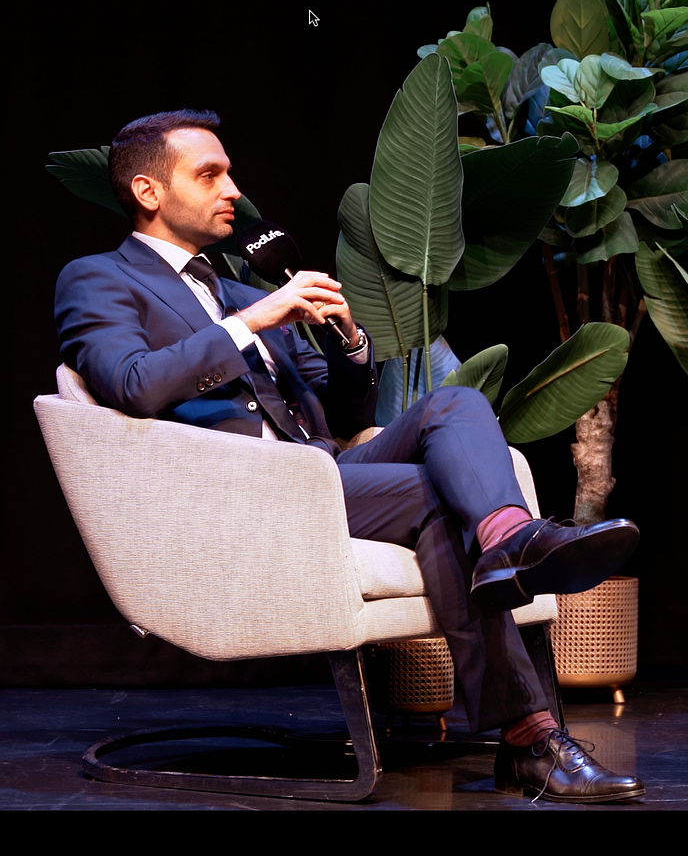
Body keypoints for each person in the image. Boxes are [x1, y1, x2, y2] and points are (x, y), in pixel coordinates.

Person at [54, 109, 646, 804]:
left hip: (321, 476)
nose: (232, 191)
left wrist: (352, 341)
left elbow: (342, 414)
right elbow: (131, 385)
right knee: (437, 499)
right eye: (209, 175)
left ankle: (508, 539)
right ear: (148, 191)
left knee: (455, 405)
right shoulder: (100, 278)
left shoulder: (240, 290)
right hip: (237, 496)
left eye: (230, 173)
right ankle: (530, 738)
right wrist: (251, 323)